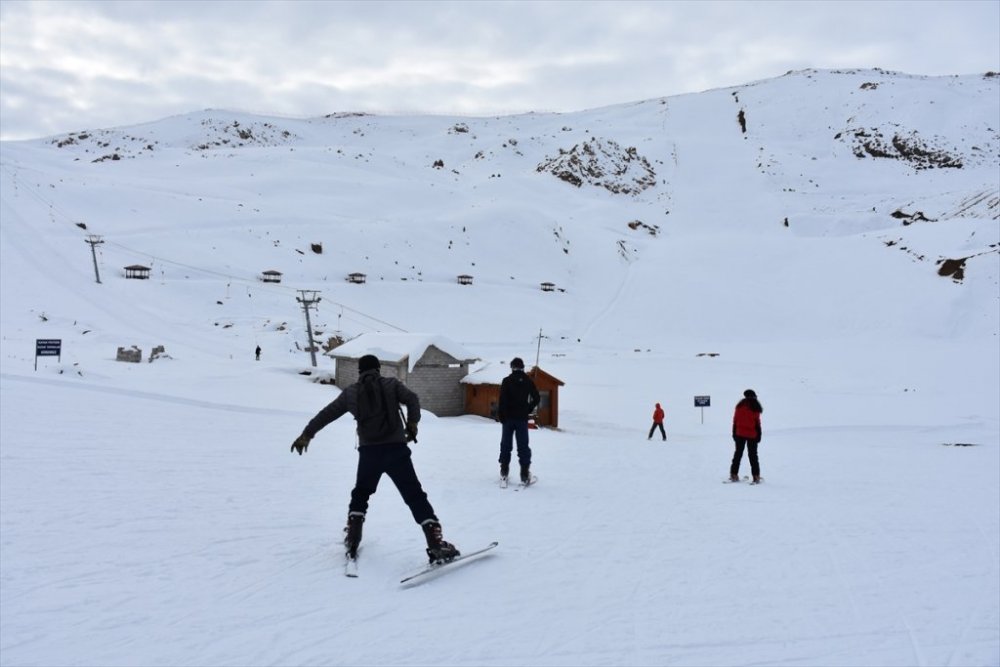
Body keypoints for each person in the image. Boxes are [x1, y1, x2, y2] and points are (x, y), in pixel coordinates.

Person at [289, 354, 459, 564]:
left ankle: (352, 538)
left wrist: (307, 434)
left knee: (361, 493)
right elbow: (413, 399)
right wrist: (412, 423)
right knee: (414, 495)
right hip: (397, 451)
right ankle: (435, 544)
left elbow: (327, 413)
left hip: (369, 453)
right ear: (378, 369)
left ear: (360, 371)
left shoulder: (351, 392)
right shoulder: (391, 384)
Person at [497, 357, 540, 483]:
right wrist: (528, 408)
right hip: (521, 418)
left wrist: (501, 416)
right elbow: (536, 398)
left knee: (506, 445)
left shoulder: (506, 381)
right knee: (523, 446)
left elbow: (502, 400)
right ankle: (524, 474)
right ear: (522, 367)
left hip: (508, 419)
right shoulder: (528, 381)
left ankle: (504, 470)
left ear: (512, 367)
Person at [730, 389, 763, 482]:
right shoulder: (755, 407)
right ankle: (756, 476)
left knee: (738, 454)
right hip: (752, 435)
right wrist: (759, 435)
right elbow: (757, 423)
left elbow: (735, 421)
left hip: (739, 434)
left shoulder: (739, 406)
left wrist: (734, 433)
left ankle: (733, 474)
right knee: (753, 456)